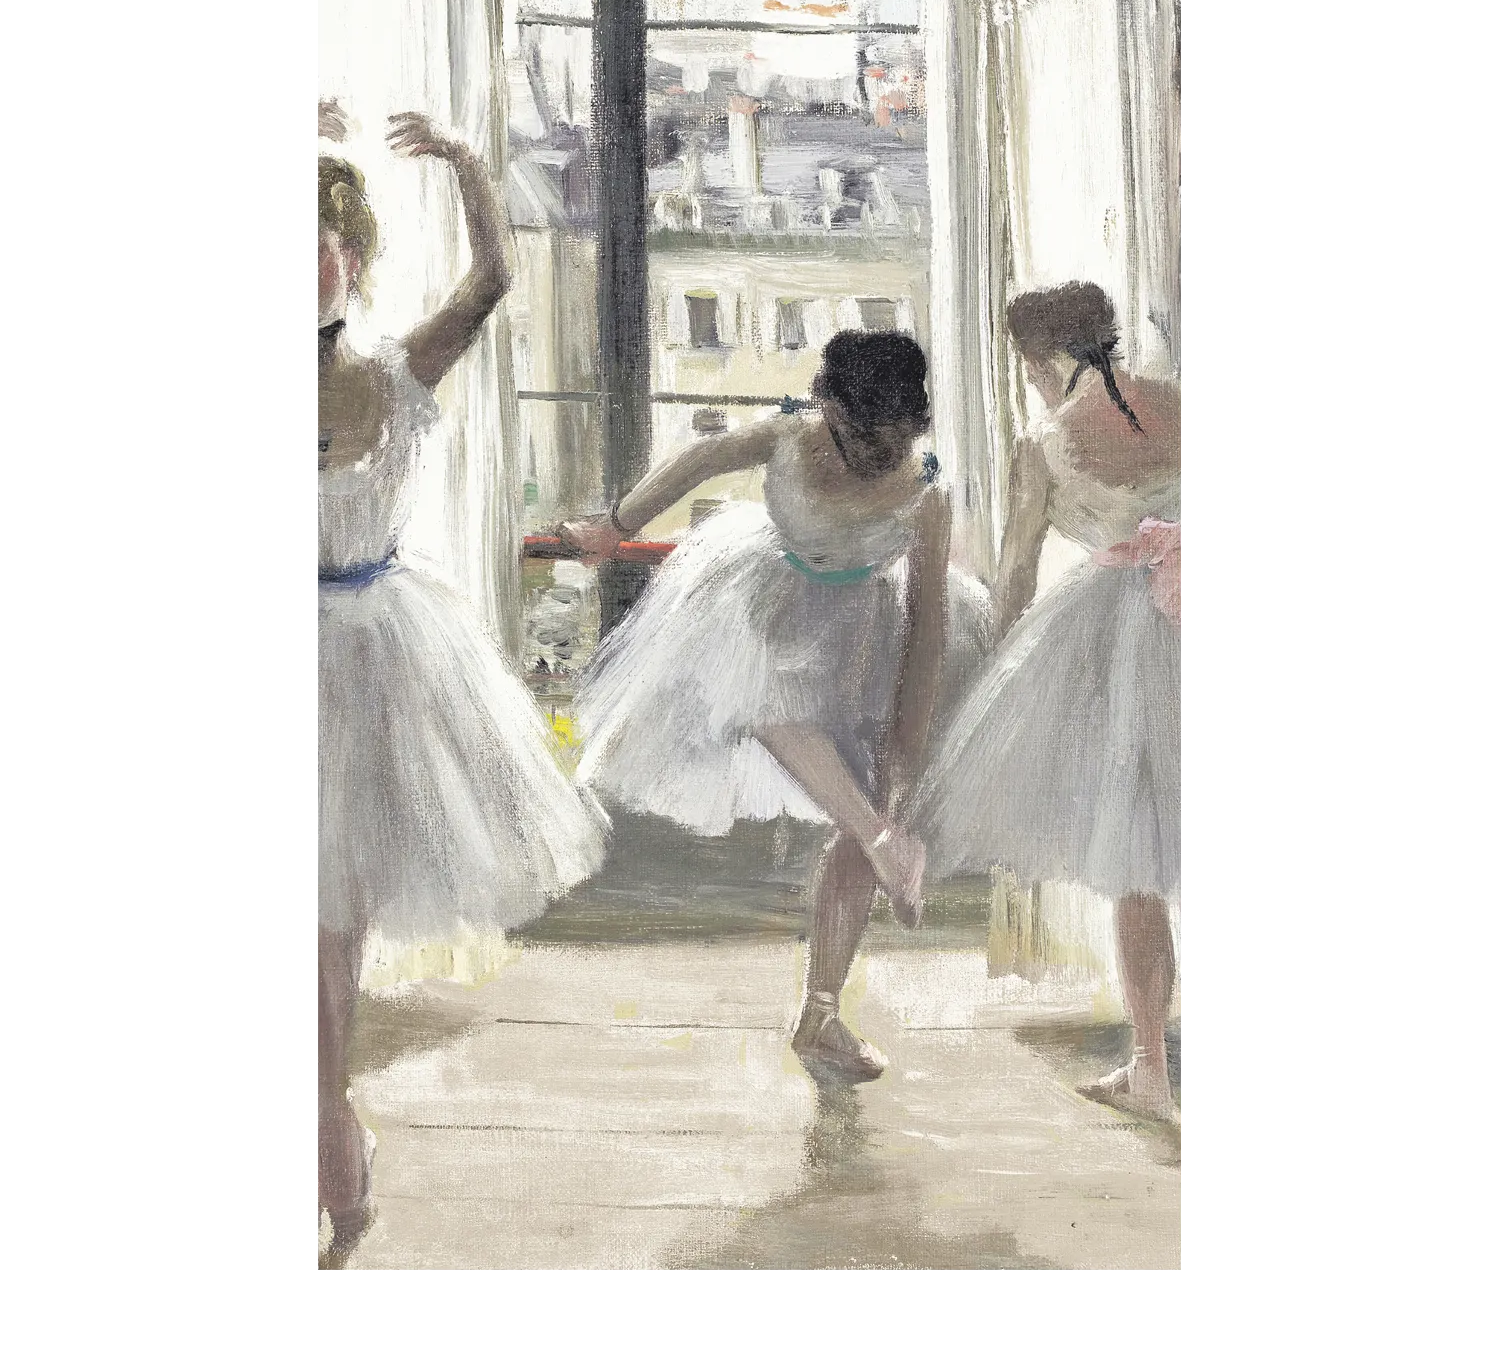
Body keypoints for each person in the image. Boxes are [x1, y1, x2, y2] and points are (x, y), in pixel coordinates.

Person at [315, 103, 609, 1262]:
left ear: (353, 259)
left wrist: (474, 166)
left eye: (324, 245)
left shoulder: (394, 370)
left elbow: (491, 281)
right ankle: (335, 1130)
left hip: (372, 652)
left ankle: (332, 1128)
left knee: (335, 930)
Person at [561, 332, 993, 1082]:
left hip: (861, 636)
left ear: (917, 426)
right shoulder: (790, 434)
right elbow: (695, 462)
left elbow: (927, 629)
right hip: (765, 604)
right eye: (863, 436)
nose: (878, 454)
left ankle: (821, 1011)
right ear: (827, 407)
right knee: (759, 695)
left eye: (896, 439)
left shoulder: (926, 490)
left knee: (869, 810)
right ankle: (883, 838)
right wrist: (617, 526)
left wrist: (903, 752)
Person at [912, 281, 1182, 1121]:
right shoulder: (1175, 402)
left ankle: (1150, 1068)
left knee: (1137, 859)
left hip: (1125, 638)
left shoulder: (1043, 446)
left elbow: (1020, 574)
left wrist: (993, 653)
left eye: (1026, 367)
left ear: (1039, 361)